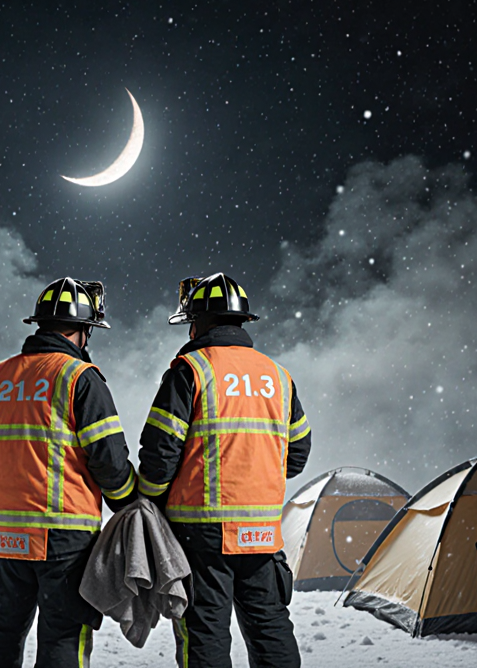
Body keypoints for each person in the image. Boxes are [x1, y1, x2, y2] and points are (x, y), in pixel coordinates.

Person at [0, 277, 138, 668]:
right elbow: (109, 460)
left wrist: (15, 478)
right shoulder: (80, 378)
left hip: (7, 536)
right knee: (62, 638)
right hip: (65, 538)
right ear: (84, 330)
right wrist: (130, 504)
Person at [137, 273, 311, 668]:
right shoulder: (277, 376)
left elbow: (160, 452)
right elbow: (297, 454)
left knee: (205, 631)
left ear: (198, 322)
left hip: (201, 534)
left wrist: (148, 499)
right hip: (262, 534)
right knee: (270, 626)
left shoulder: (190, 369)